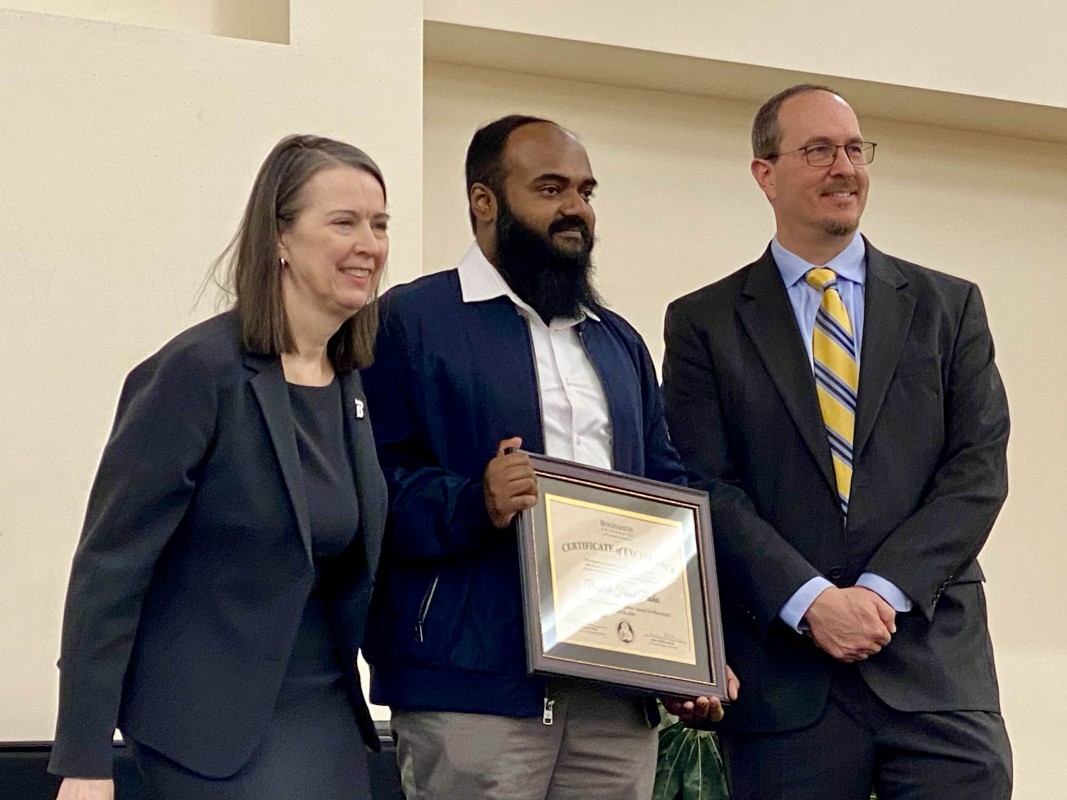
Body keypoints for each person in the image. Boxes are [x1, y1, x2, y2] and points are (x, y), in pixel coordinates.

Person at [360, 115, 736, 800]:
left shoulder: (616, 341)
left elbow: (665, 494)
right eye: (550, 188)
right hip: (474, 688)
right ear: (484, 202)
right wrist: (475, 500)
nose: (576, 210)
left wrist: (692, 660)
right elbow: (367, 489)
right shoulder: (411, 321)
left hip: (614, 696)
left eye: (586, 191)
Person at [662, 84, 1012, 799]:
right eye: (818, 149)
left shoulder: (948, 307)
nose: (843, 168)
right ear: (764, 173)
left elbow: (975, 471)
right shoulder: (704, 322)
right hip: (787, 684)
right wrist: (811, 599)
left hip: (933, 671)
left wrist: (881, 592)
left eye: (854, 149)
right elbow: (702, 482)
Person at [49, 134, 390, 800]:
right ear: (280, 239)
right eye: (343, 222)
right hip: (208, 730)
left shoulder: (350, 381)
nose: (369, 244)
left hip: (324, 714)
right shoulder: (197, 372)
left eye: (379, 224)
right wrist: (84, 760)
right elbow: (109, 569)